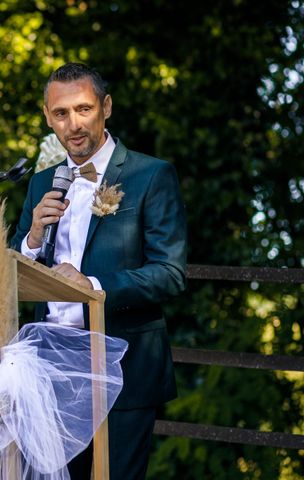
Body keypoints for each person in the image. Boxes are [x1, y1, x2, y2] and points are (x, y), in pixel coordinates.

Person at [11, 63, 187, 479]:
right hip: (50, 367)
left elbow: (170, 273)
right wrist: (33, 236)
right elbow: (13, 264)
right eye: (60, 113)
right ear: (47, 116)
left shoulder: (150, 175)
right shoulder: (41, 183)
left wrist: (91, 287)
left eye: (84, 109)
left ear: (106, 106)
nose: (73, 124)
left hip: (123, 364)